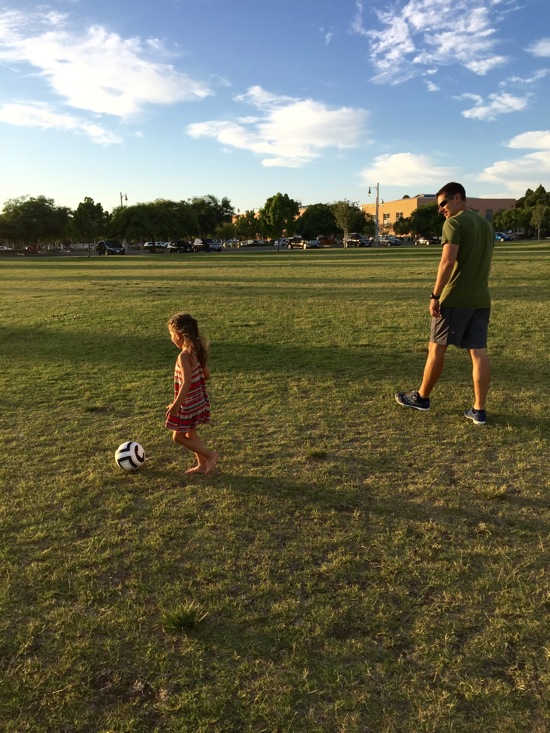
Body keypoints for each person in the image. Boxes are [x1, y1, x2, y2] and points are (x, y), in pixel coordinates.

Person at [395, 182, 494, 425]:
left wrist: (435, 295)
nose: (441, 210)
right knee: (478, 353)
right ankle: (478, 410)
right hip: (481, 298)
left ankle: (421, 398)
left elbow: (447, 262)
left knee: (436, 348)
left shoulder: (454, 223)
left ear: (457, 197)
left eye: (443, 204)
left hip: (455, 299)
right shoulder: (485, 224)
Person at [165, 312, 219, 473]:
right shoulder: (197, 350)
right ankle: (202, 465)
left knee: (178, 437)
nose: (171, 339)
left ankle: (211, 455)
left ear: (179, 335)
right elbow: (207, 375)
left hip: (188, 404)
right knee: (190, 435)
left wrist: (176, 405)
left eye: (171, 335)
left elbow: (186, 383)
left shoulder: (183, 356)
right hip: (199, 400)